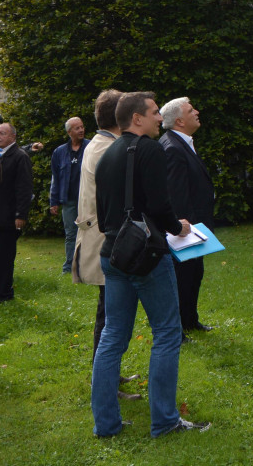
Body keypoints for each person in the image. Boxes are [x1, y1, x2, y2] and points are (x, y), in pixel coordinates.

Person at [91, 91, 209, 437]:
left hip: (113, 252)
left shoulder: (106, 152)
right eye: (156, 113)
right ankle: (165, 421)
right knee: (168, 333)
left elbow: (102, 215)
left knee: (112, 336)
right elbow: (160, 204)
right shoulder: (151, 150)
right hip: (146, 255)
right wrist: (179, 227)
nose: (161, 118)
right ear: (136, 119)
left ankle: (106, 425)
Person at [74, 89, 140, 399]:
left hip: (105, 240)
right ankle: (105, 383)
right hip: (108, 243)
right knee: (111, 317)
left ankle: (108, 373)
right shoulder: (105, 149)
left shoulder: (101, 144)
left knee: (110, 314)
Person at [158, 96, 216, 339]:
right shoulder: (172, 147)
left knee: (194, 274)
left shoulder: (182, 142)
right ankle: (179, 327)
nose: (197, 112)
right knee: (183, 278)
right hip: (186, 228)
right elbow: (176, 194)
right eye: (191, 110)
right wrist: (187, 229)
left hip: (194, 225)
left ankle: (191, 320)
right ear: (179, 120)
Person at [0, 122, 33, 302]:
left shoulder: (19, 157)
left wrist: (20, 215)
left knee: (4, 257)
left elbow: (24, 188)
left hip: (8, 216)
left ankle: (3, 293)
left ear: (13, 137)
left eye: (3, 133)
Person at [50, 117, 89, 274]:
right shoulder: (59, 152)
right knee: (71, 234)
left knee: (89, 233)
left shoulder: (91, 147)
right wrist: (54, 201)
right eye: (77, 128)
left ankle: (87, 266)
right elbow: (55, 178)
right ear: (69, 132)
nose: (81, 130)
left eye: (82, 127)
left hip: (87, 200)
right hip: (69, 201)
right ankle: (69, 267)